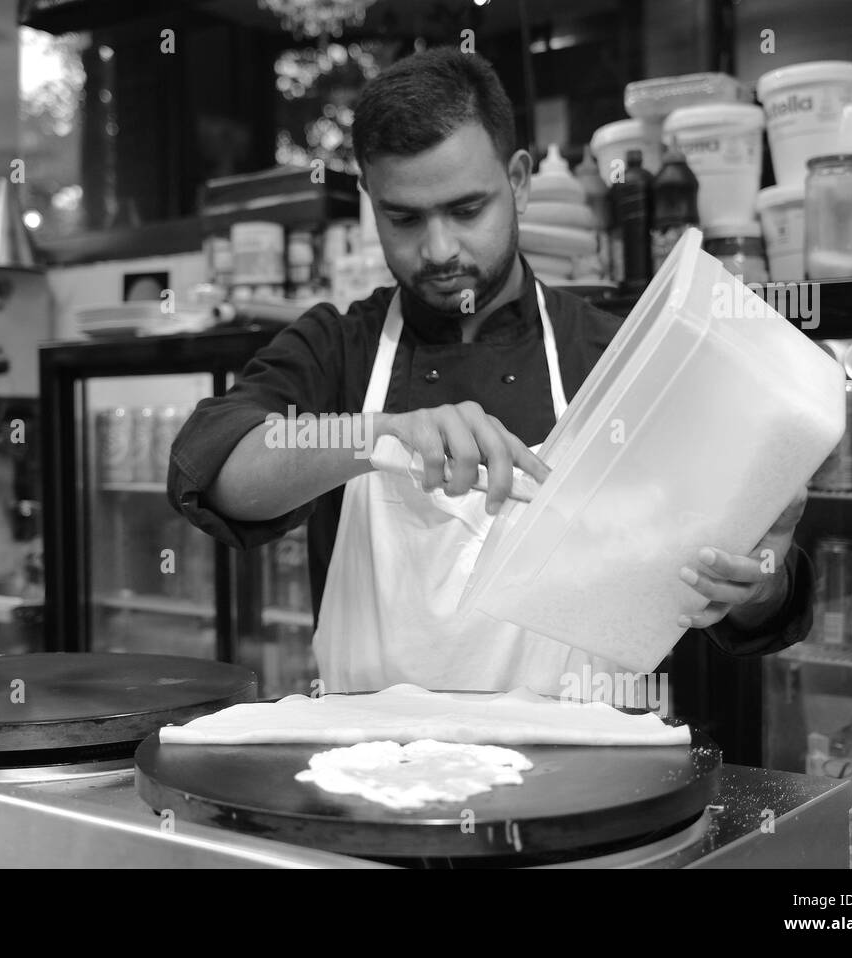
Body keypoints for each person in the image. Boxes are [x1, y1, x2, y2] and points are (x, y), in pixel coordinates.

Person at [168, 47, 811, 696]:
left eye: (467, 210)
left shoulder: (619, 359)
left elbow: (740, 608)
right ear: (370, 201)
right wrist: (379, 435)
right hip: (368, 776)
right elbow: (218, 466)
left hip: (584, 782)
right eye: (405, 218)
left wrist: (758, 580)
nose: (439, 248)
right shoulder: (340, 348)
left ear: (521, 181)